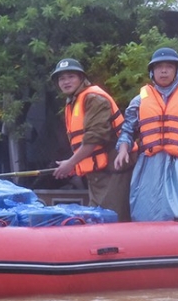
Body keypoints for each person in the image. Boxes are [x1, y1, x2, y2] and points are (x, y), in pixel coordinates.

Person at [114, 48, 178, 221]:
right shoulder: (139, 100)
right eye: (159, 67)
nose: (163, 71)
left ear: (176, 71)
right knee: (147, 213)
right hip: (150, 165)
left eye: (169, 66)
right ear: (152, 72)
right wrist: (123, 149)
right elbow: (127, 130)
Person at [51, 58, 135, 222]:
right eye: (61, 78)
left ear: (81, 78)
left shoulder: (93, 99)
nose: (66, 81)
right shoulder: (74, 102)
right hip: (97, 173)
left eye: (71, 76)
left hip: (115, 169)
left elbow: (94, 138)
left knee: (112, 219)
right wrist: (76, 164)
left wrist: (71, 163)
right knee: (98, 220)